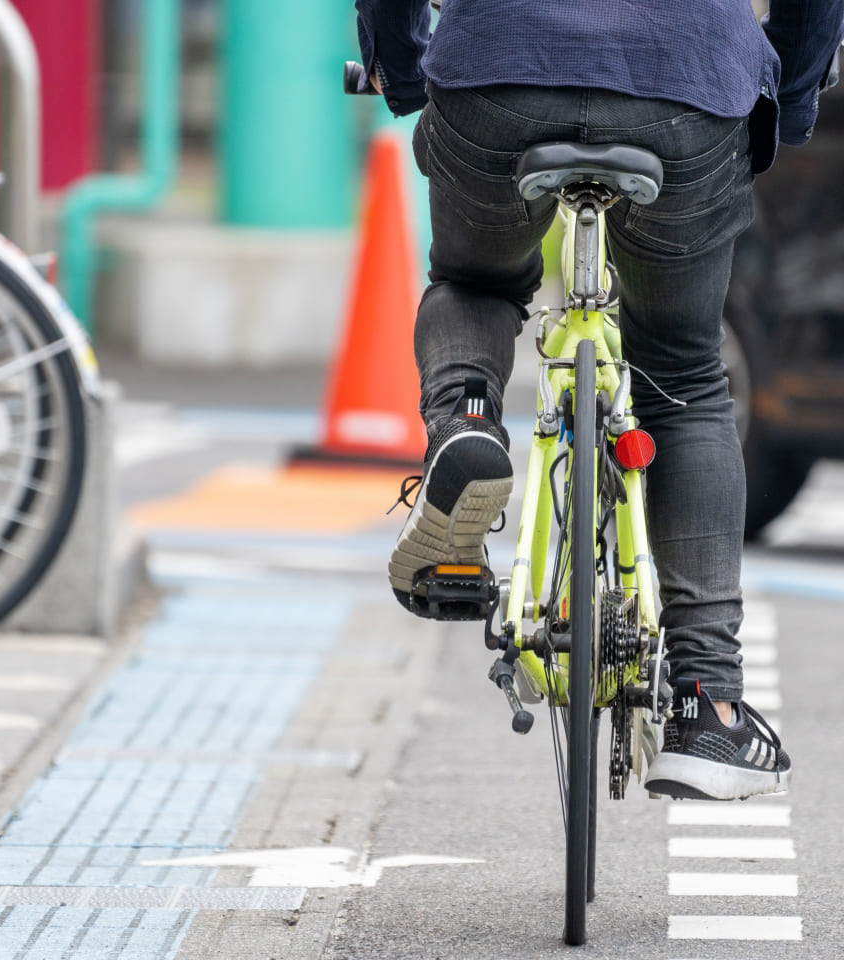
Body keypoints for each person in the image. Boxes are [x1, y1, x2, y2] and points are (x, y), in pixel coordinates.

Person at [358, 0, 844, 801]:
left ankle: (466, 424)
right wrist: (787, 98)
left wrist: (403, 66)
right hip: (689, 84)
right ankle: (705, 704)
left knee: (474, 282)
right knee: (684, 374)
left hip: (499, 70)